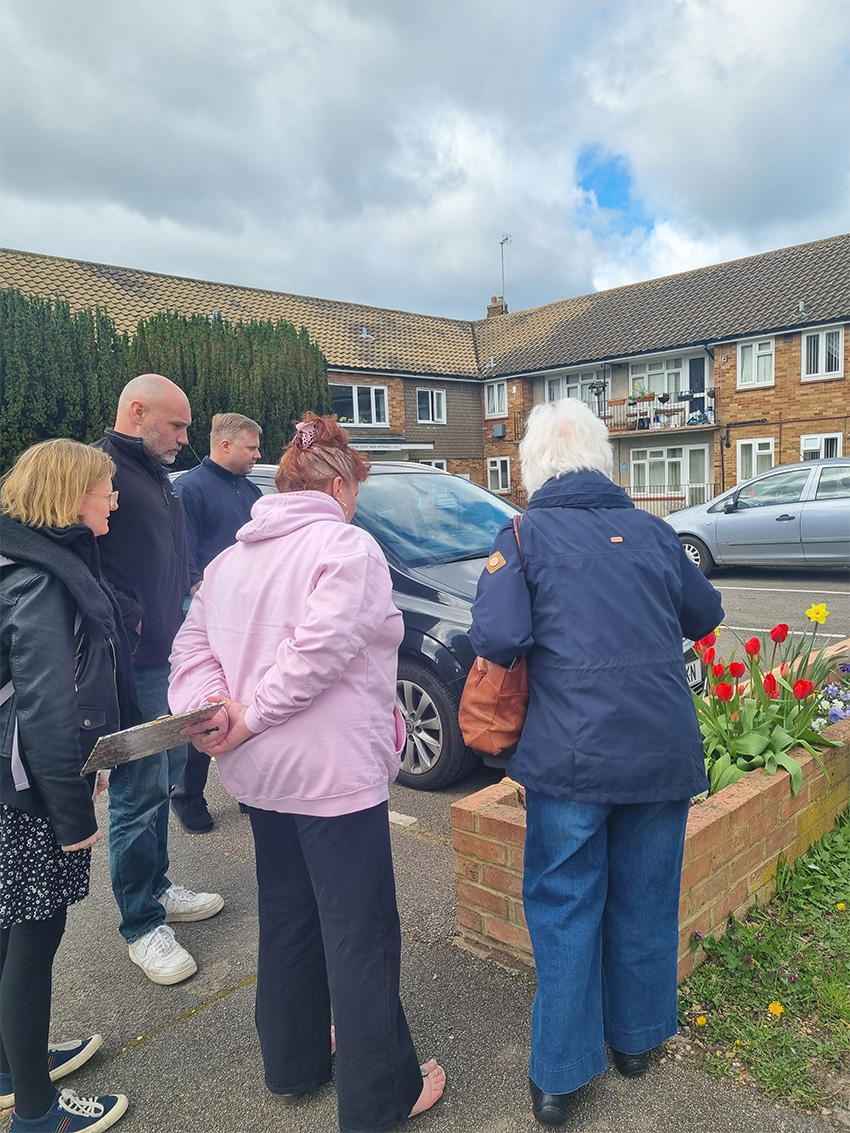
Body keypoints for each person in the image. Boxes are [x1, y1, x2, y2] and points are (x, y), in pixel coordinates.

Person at [168, 413, 446, 1133]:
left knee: (289, 915)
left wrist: (208, 714)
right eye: (355, 486)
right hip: (331, 774)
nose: (357, 500)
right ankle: (382, 1092)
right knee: (360, 933)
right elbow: (317, 652)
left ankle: (293, 1062)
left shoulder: (231, 561)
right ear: (334, 484)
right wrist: (250, 713)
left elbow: (190, 649)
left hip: (259, 775)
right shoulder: (346, 548)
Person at [468, 399, 724, 1128]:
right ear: (604, 461)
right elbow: (703, 614)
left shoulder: (522, 534)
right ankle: (637, 1041)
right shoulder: (652, 531)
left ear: (533, 468)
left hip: (571, 757)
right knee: (646, 896)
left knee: (566, 907)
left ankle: (558, 1075)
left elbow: (498, 633)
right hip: (659, 750)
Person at [1, 439, 137, 1132]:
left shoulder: (25, 556)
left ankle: (10, 1063)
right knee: (34, 934)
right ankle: (36, 1111)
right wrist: (70, 811)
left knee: (9, 933)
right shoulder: (39, 575)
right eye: (105, 488)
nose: (114, 498)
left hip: (13, 786)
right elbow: (44, 706)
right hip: (26, 794)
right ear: (67, 494)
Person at [93, 375, 223, 985]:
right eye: (177, 425)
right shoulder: (101, 469)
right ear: (138, 413)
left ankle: (159, 887)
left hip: (171, 657)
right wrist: (133, 612)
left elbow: (166, 548)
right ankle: (141, 924)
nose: (185, 438)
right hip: (135, 661)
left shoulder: (153, 472)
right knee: (138, 791)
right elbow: (82, 558)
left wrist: (192, 577)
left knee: (164, 778)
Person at [170, 412, 263, 833]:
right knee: (207, 707)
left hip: (251, 615)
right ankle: (187, 794)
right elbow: (182, 554)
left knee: (247, 702)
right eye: (251, 447)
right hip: (208, 615)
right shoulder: (190, 489)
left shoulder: (252, 489)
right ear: (224, 445)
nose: (258, 455)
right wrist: (196, 601)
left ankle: (248, 788)